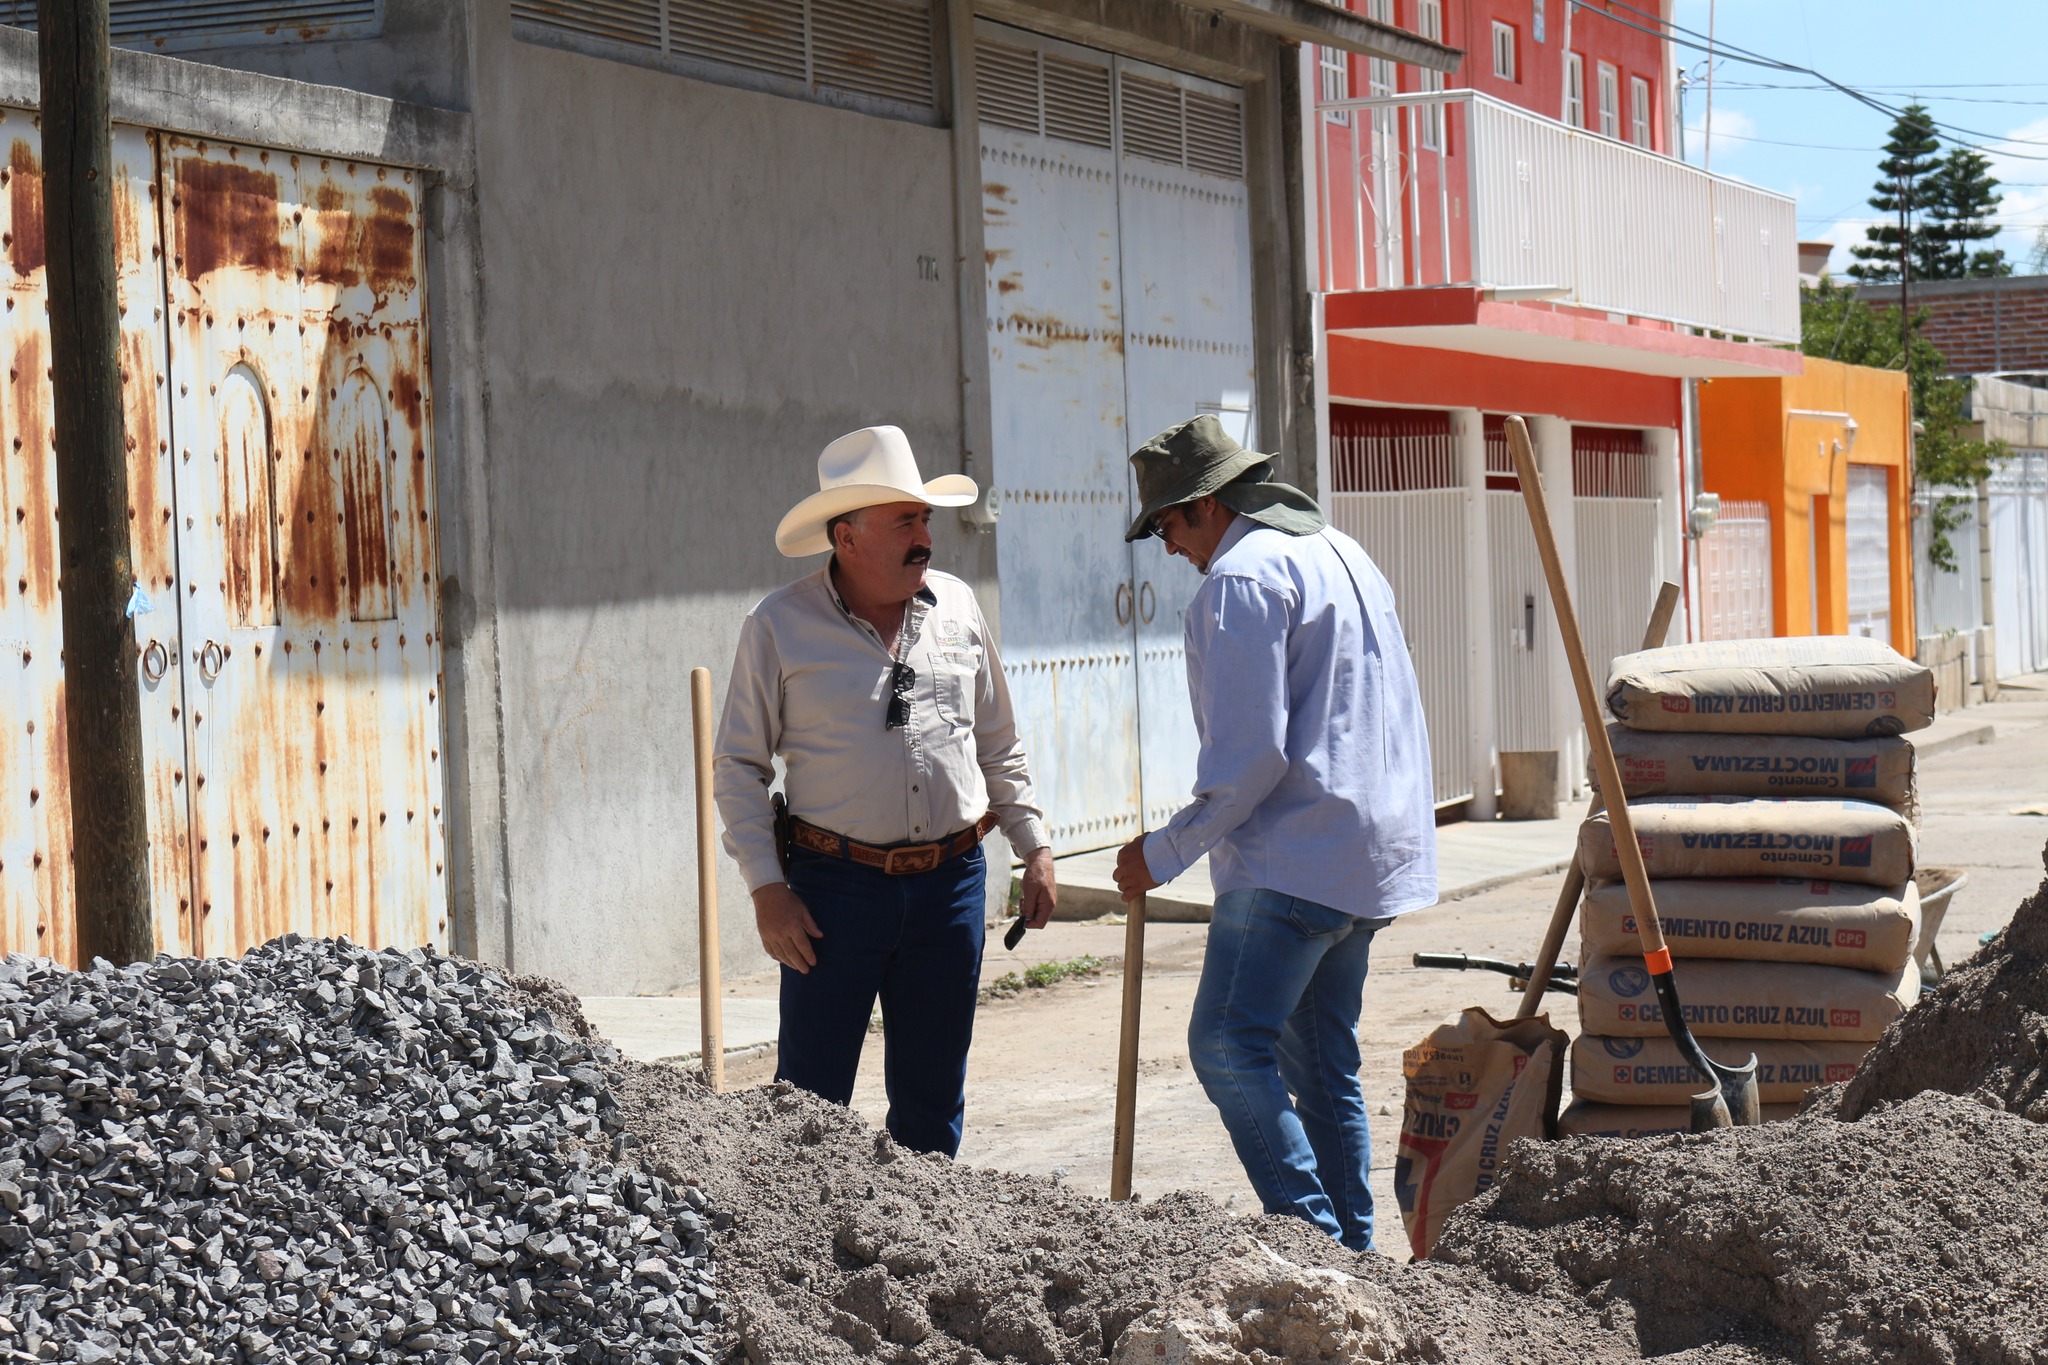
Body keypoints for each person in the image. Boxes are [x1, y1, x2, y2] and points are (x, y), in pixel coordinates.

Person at [1110, 414, 1436, 1252]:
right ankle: (1357, 1265)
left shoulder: (1243, 579)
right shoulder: (1340, 552)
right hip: (1363, 855)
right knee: (1323, 1069)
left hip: (1294, 861)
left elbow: (1249, 759)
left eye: (1170, 524)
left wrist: (1161, 852)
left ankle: (1313, 1240)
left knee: (1224, 1043)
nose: (1170, 546)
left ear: (1208, 505)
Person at [714, 424, 1056, 1157]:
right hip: (833, 895)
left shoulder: (959, 606)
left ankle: (920, 1261)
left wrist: (1034, 844)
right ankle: (799, 1261)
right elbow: (739, 765)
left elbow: (997, 737)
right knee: (809, 1108)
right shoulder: (778, 626)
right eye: (905, 521)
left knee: (933, 1109)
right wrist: (766, 890)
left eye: (925, 517)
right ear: (846, 538)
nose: (924, 535)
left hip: (952, 887)